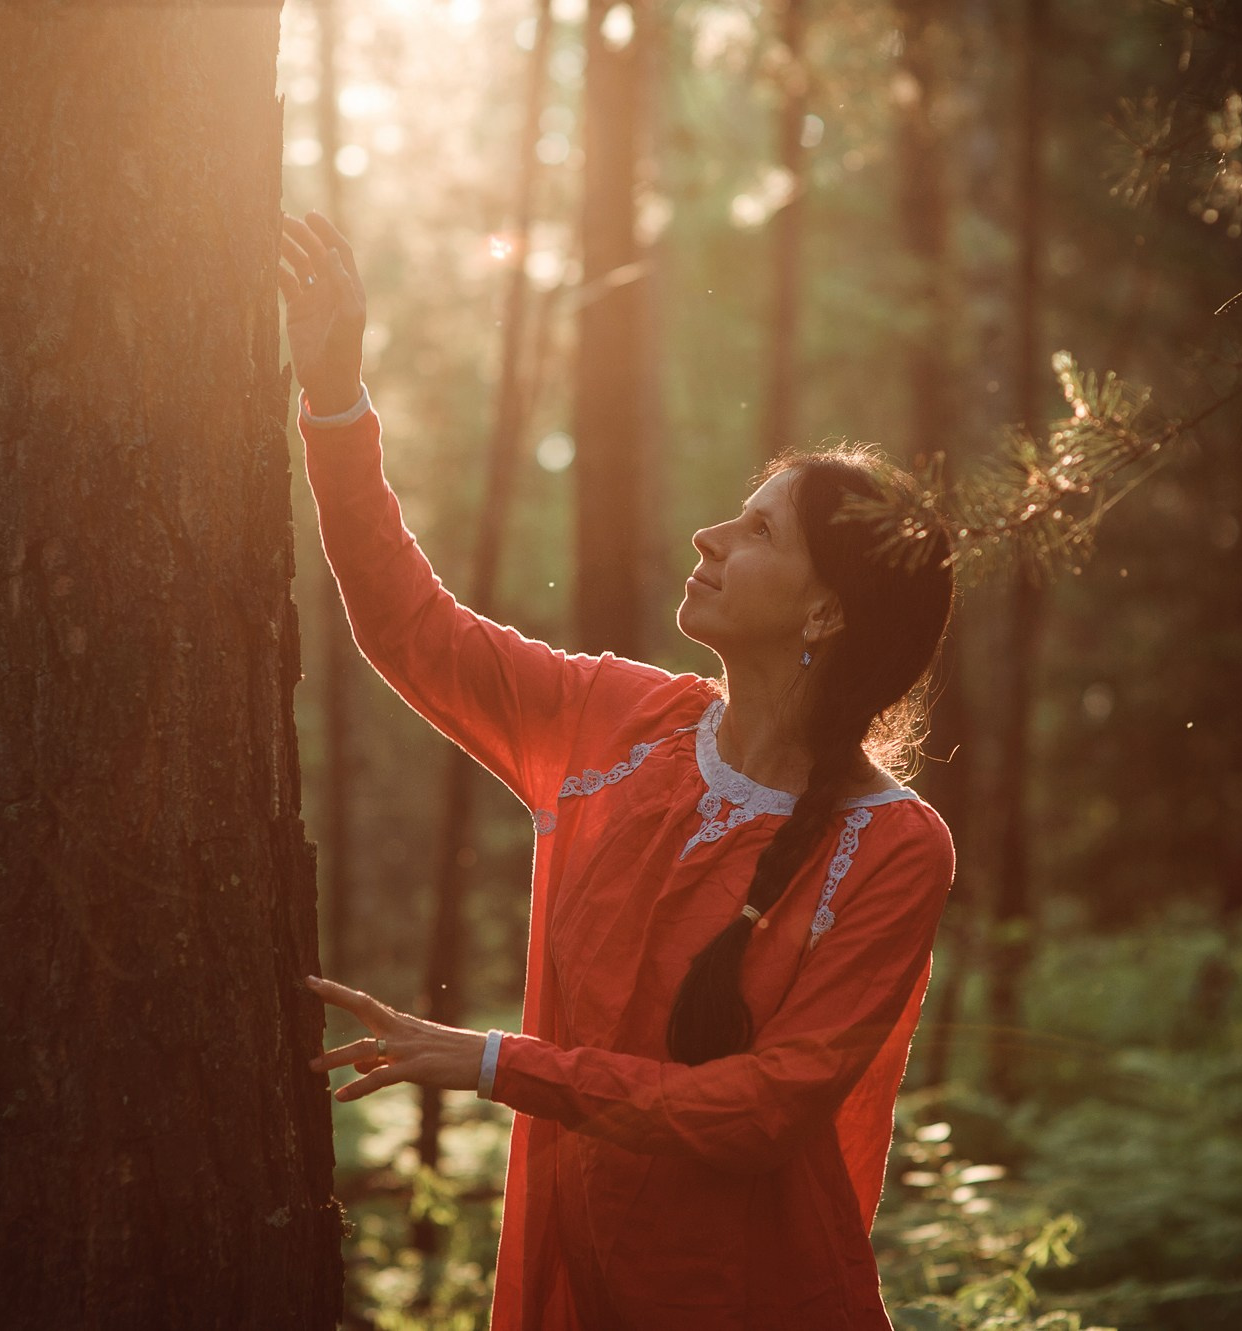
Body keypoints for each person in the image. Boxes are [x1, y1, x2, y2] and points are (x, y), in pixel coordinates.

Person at [282, 210, 957, 1331]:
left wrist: (496, 1062)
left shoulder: (891, 847)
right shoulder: (615, 718)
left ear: (826, 610)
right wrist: (336, 399)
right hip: (571, 1284)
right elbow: (410, 628)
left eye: (755, 532)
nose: (707, 536)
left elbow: (757, 1112)